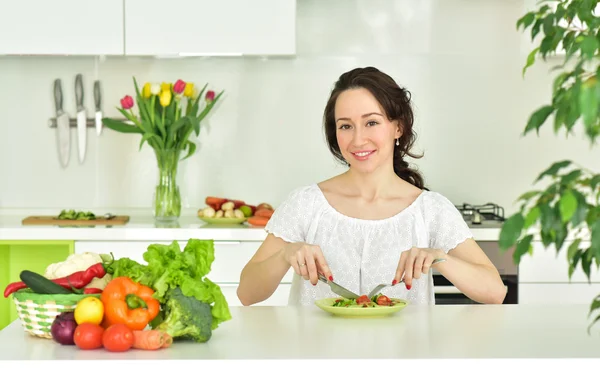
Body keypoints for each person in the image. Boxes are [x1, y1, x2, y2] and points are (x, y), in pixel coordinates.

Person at [237, 66, 507, 307]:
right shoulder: (305, 204)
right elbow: (247, 294)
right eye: (345, 126)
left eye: (372, 122)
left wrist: (438, 257)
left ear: (398, 127)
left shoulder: (431, 209)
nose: (358, 139)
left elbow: (494, 292)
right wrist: (285, 253)